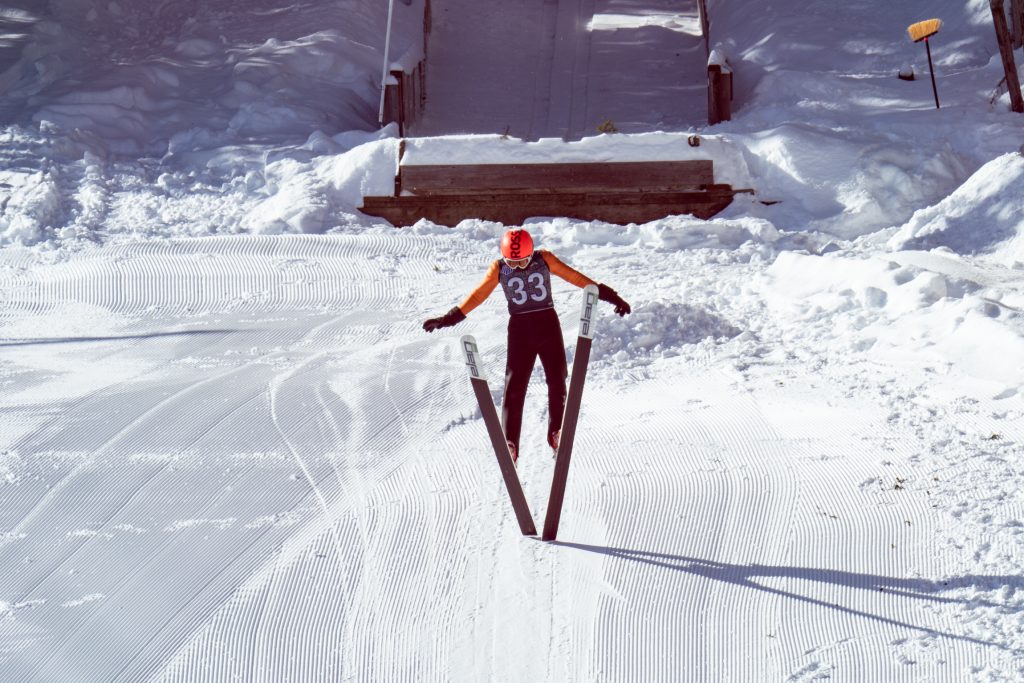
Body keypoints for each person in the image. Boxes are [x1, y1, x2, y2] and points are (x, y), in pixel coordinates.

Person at [423, 228, 631, 463]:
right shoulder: (499, 268)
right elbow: (478, 296)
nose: (519, 267)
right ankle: (510, 442)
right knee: (515, 386)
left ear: (532, 253)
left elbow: (577, 278)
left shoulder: (544, 259)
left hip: (547, 323)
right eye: (513, 263)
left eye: (524, 261)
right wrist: (447, 319)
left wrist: (612, 297)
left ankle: (556, 431)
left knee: (557, 378)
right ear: (505, 258)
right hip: (520, 329)